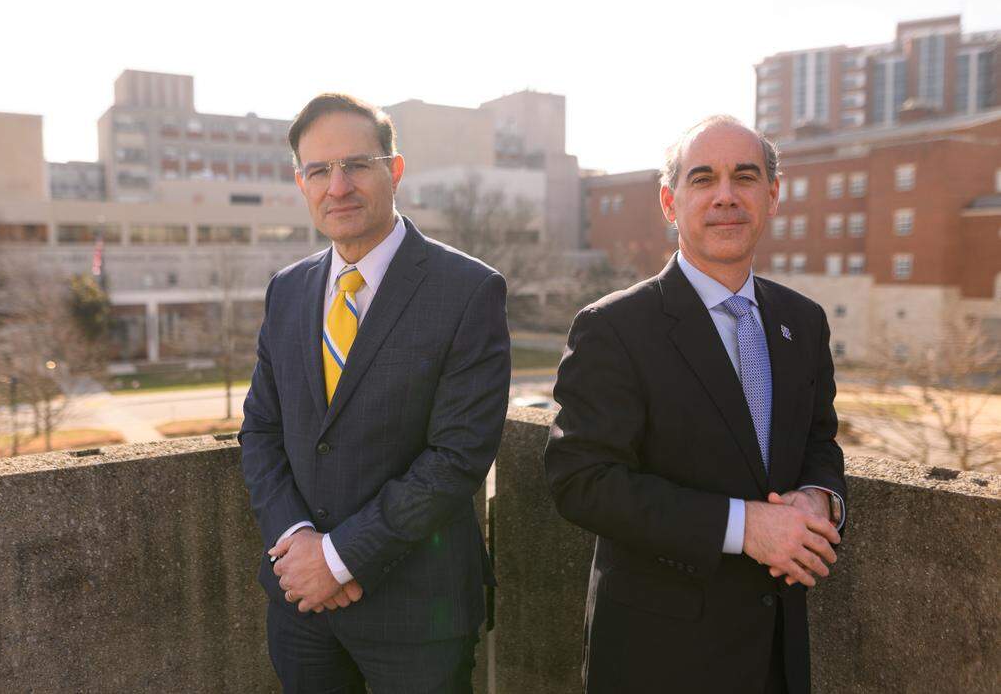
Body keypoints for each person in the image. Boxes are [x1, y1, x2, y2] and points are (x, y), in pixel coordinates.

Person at [544, 115, 847, 694]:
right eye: (703, 179)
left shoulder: (803, 322)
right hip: (659, 658)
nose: (726, 196)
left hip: (777, 653)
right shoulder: (614, 327)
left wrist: (820, 499)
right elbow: (581, 480)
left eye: (746, 177)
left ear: (772, 195)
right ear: (669, 201)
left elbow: (818, 440)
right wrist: (745, 528)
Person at [240, 93, 510, 693]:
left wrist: (339, 559)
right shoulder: (287, 291)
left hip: (419, 615)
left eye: (356, 164)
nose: (338, 186)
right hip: (302, 610)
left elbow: (458, 457)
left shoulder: (468, 291)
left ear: (395, 169)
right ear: (301, 183)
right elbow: (260, 430)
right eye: (318, 170)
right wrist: (297, 544)